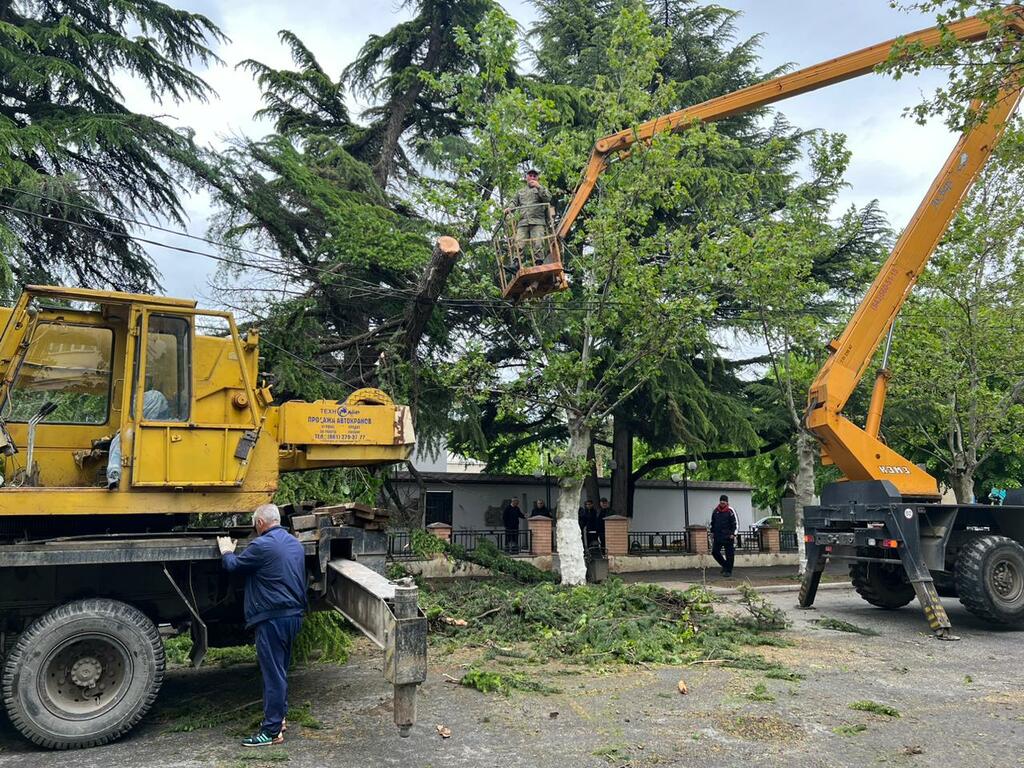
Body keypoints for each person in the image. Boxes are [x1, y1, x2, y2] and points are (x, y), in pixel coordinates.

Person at [217, 504, 307, 747]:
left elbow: (233, 567)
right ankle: (280, 720)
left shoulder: (262, 545)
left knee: (273, 675)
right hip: (293, 617)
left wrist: (226, 551)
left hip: (272, 618)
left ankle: (270, 731)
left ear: (260, 524)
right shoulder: (294, 544)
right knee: (280, 671)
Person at [106, 389, 171, 488]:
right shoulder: (130, 432)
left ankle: (115, 474)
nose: (166, 407)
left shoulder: (128, 432)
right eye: (162, 404)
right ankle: (115, 474)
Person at [505, 169, 553, 266]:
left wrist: (538, 187)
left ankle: (539, 262)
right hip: (523, 222)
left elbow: (548, 198)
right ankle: (516, 263)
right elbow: (514, 202)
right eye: (530, 175)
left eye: (534, 176)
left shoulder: (541, 189)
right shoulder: (520, 192)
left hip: (537, 221)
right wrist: (509, 209)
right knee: (519, 242)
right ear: (526, 177)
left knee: (538, 243)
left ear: (537, 178)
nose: (532, 177)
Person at [710, 494, 737, 577]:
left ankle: (728, 571)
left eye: (724, 501)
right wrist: (712, 532)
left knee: (729, 555)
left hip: (728, 537)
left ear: (727, 502)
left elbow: (736, 523)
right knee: (715, 552)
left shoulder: (730, 511)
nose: (722, 502)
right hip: (718, 536)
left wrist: (734, 534)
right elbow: (713, 523)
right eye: (721, 500)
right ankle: (725, 565)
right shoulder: (715, 511)